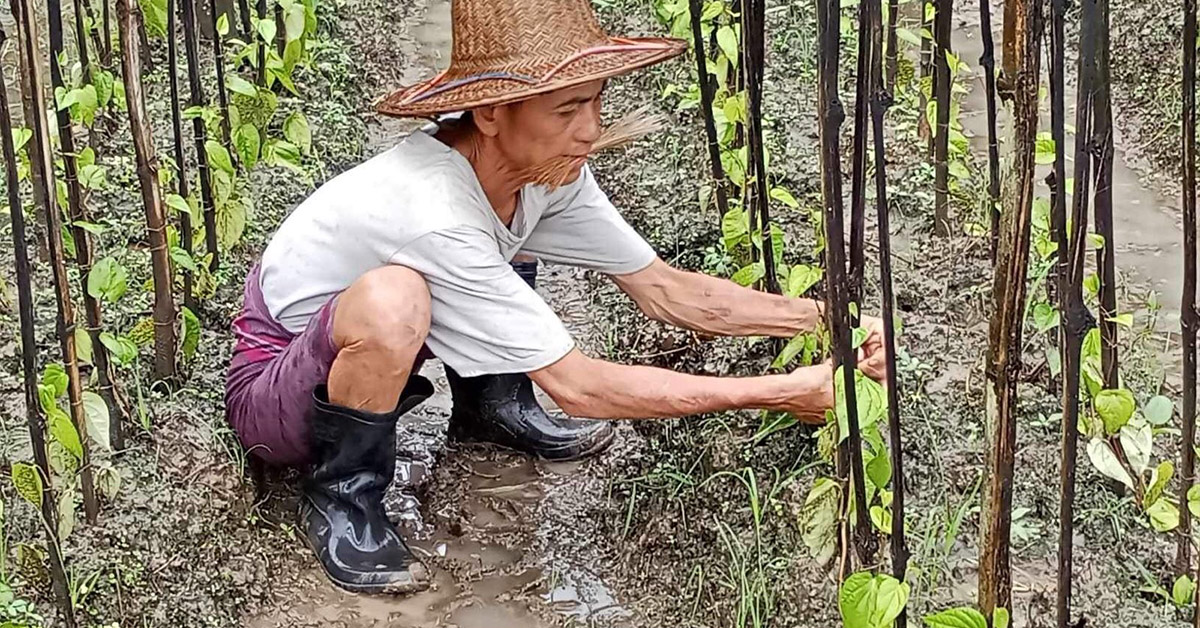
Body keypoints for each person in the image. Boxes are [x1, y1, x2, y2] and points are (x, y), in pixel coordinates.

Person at [224, 0, 888, 596]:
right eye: (567, 110)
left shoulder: (541, 173)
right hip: (277, 391)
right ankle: (346, 497)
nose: (591, 130)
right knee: (395, 297)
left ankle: (492, 407)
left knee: (513, 230)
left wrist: (830, 322)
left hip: (359, 345)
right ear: (489, 113)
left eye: (596, 102)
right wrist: (779, 392)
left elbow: (664, 290)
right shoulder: (433, 208)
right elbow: (579, 386)